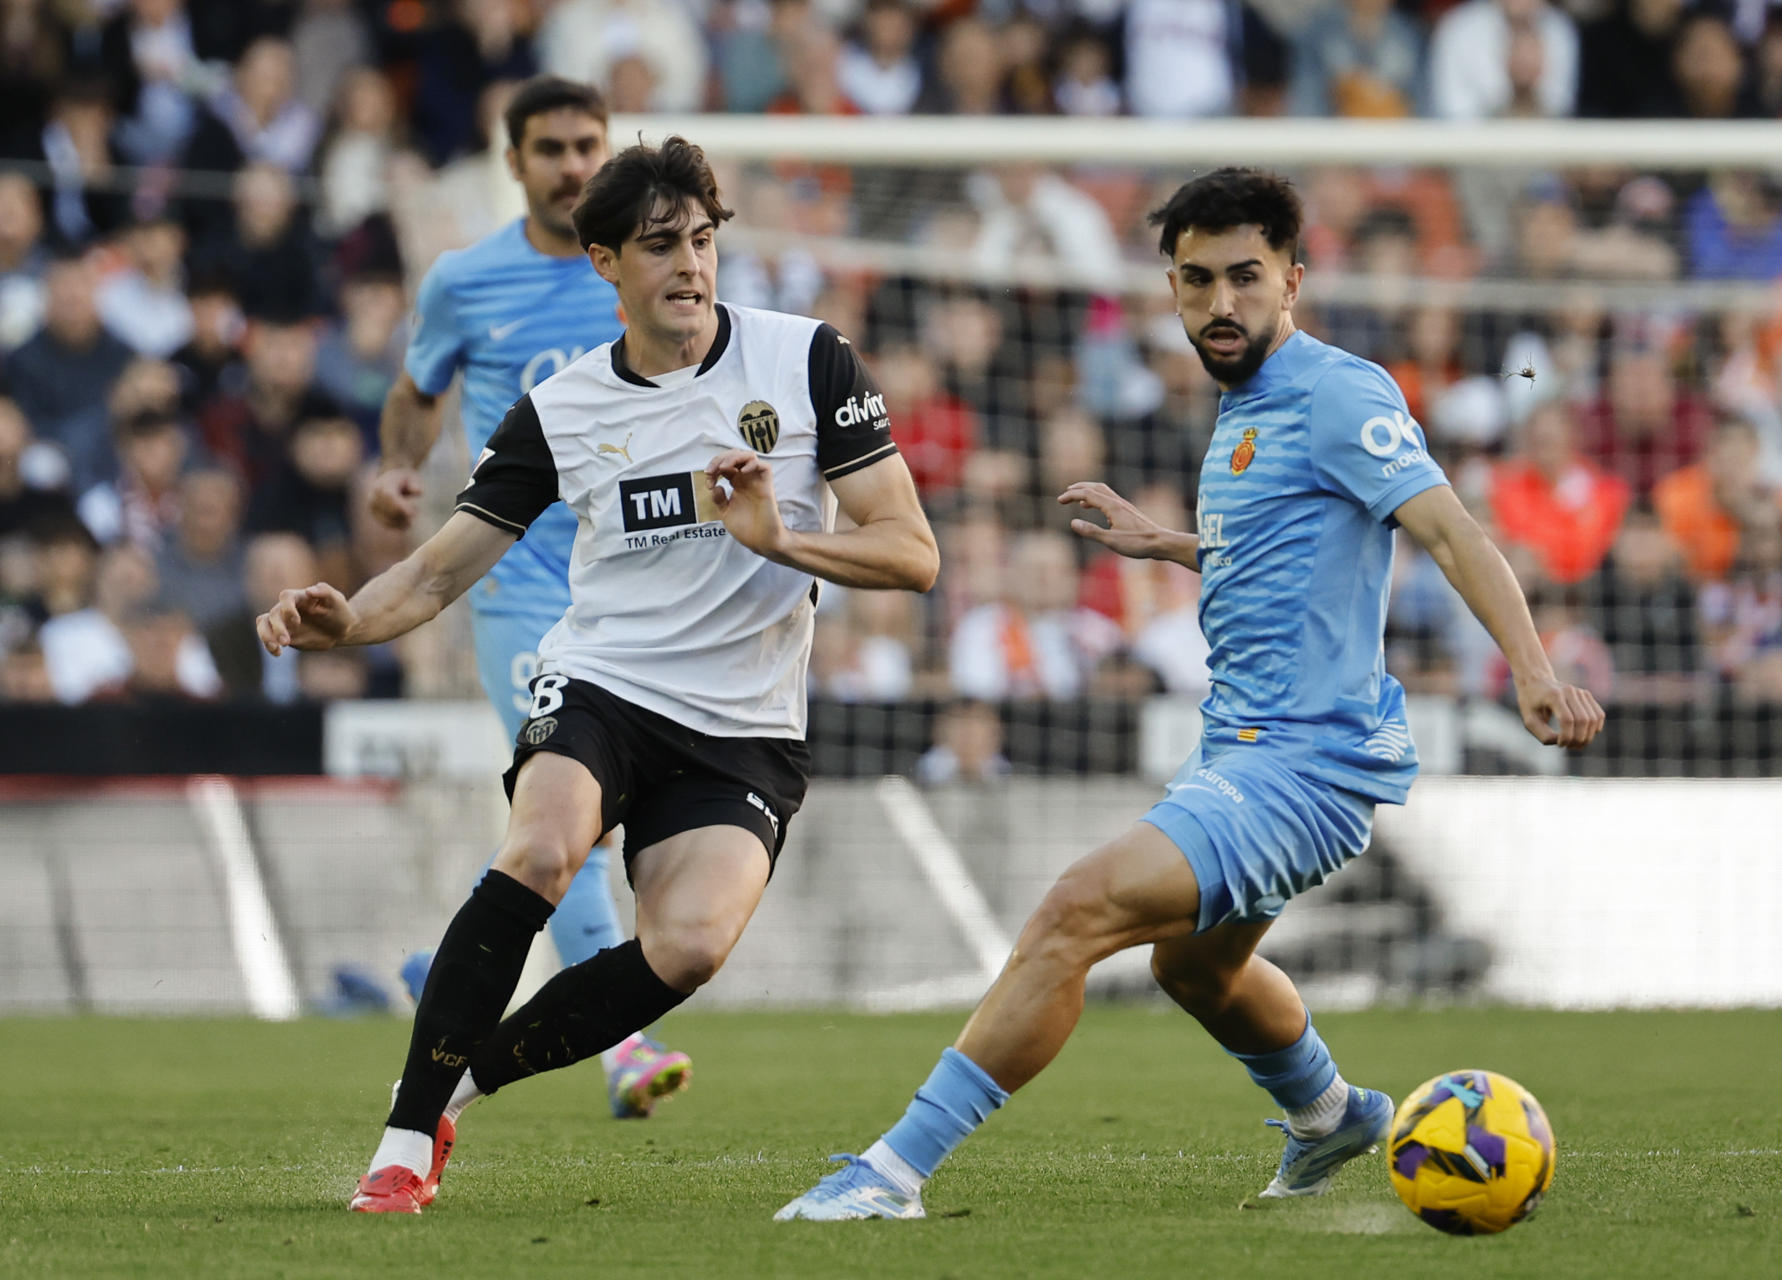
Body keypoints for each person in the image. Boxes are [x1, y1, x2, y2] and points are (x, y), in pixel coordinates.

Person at [776, 167, 1604, 1221]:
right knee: (1194, 969)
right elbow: (1287, 546)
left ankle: (888, 1172)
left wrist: (1532, 672)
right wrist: (1167, 542)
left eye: (1246, 277)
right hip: (1242, 747)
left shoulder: (1340, 389)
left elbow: (1448, 529)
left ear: (1293, 278)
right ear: (1168, 289)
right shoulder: (1244, 411)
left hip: (1307, 759)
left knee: (1073, 910)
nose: (1222, 303)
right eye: (1197, 279)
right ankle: (1333, 1112)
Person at [258, 133, 938, 1214]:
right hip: (603, 686)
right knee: (540, 847)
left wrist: (779, 542)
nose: (690, 265)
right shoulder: (564, 410)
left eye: (704, 240)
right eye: (660, 244)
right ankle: (398, 1138)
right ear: (606, 264)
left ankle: (451, 1088)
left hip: (746, 722)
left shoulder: (809, 361)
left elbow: (913, 551)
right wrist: (344, 622)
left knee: (690, 945)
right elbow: (438, 572)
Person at [361, 75, 696, 1122]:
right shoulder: (467, 280)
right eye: (548, 147)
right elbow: (419, 389)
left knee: (572, 826)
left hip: (633, 585)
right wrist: (401, 470)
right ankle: (625, 1046)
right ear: (513, 162)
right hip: (515, 580)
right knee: (568, 819)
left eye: (585, 143)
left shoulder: (638, 273)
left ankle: (443, 965)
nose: (569, 164)